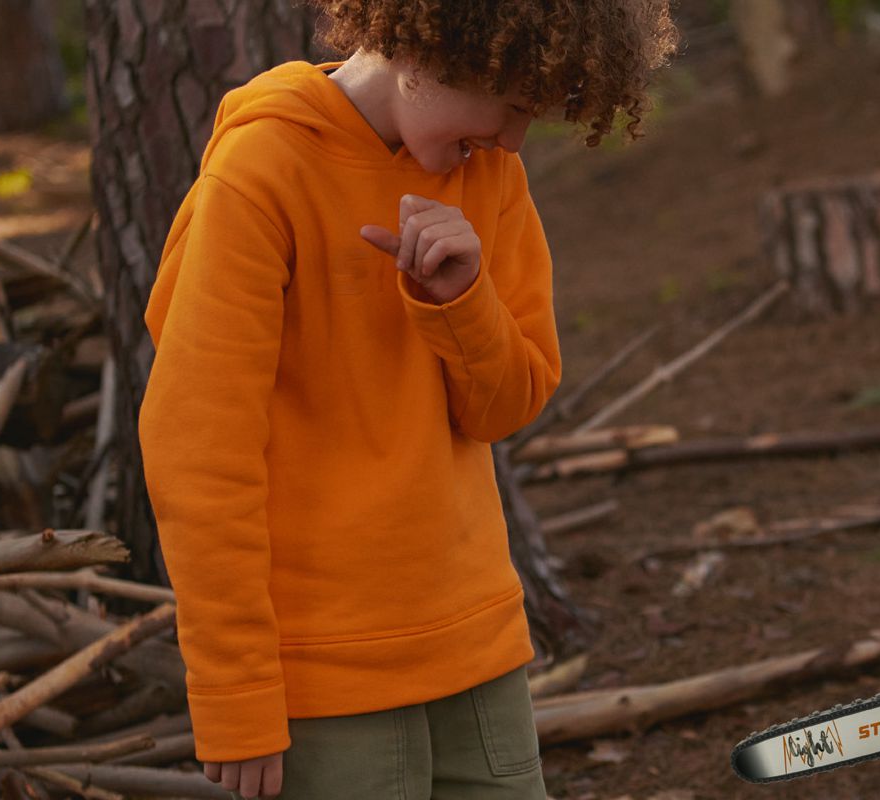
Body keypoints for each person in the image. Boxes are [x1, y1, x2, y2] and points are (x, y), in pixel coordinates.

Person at [137, 3, 675, 797]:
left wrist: (463, 302)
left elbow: (506, 407)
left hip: (479, 649)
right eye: (512, 104)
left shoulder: (491, 176)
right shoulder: (261, 173)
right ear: (432, 47)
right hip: (325, 674)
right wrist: (234, 690)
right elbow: (196, 453)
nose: (514, 139)